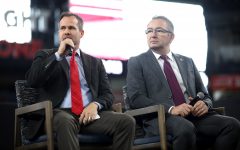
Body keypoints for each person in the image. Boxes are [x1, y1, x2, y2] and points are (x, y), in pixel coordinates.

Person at [126, 15, 240, 150]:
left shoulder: (187, 61)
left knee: (232, 125)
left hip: (194, 116)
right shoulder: (137, 61)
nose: (153, 34)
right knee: (185, 128)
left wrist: (204, 104)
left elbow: (205, 94)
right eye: (149, 31)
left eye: (159, 30)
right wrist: (171, 109)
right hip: (163, 118)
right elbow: (136, 98)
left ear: (171, 37)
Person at [25, 12, 135, 150]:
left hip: (88, 116)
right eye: (63, 28)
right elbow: (33, 81)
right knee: (66, 121)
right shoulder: (45, 55)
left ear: (81, 33)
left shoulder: (95, 63)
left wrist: (95, 105)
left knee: (126, 121)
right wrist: (58, 55)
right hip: (58, 114)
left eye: (71, 28)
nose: (66, 32)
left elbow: (107, 95)